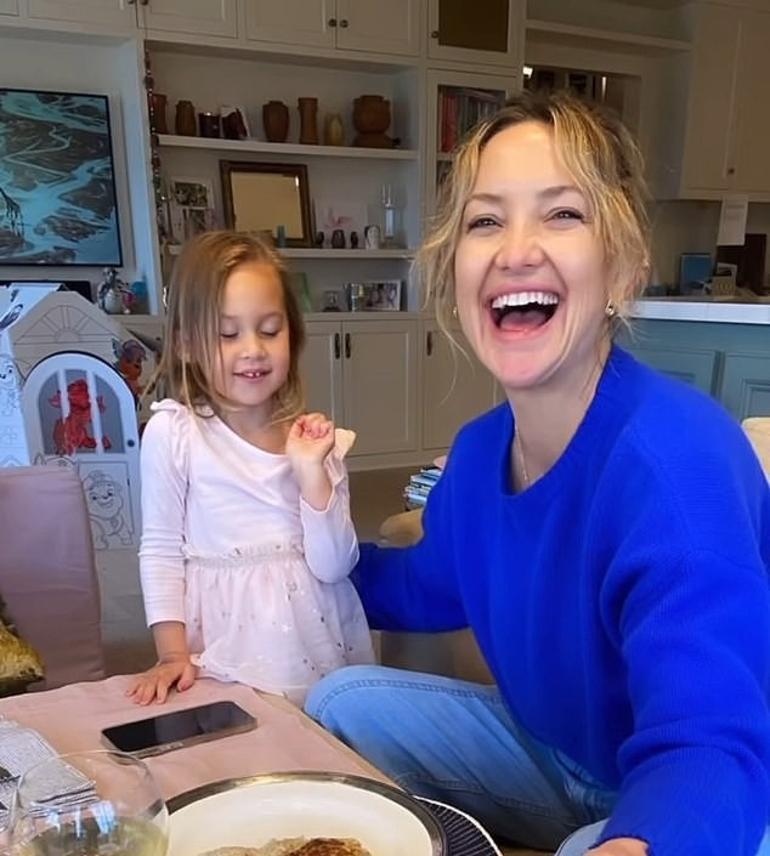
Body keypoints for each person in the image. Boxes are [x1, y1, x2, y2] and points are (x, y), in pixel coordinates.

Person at [305, 92, 770, 856]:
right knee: (341, 701)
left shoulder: (678, 463)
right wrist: (293, 555)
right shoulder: (479, 452)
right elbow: (423, 586)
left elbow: (711, 746)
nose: (516, 249)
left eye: (561, 214)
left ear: (623, 271)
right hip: (558, 757)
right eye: (486, 221)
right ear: (454, 272)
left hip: (714, 790)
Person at [129, 231, 373, 707]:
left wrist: (311, 473)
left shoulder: (316, 442)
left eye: (270, 329)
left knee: (318, 735)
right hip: (224, 642)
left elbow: (335, 566)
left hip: (314, 644)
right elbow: (159, 550)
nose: (253, 349)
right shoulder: (175, 434)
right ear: (185, 344)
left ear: (293, 336)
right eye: (228, 333)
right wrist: (171, 653)